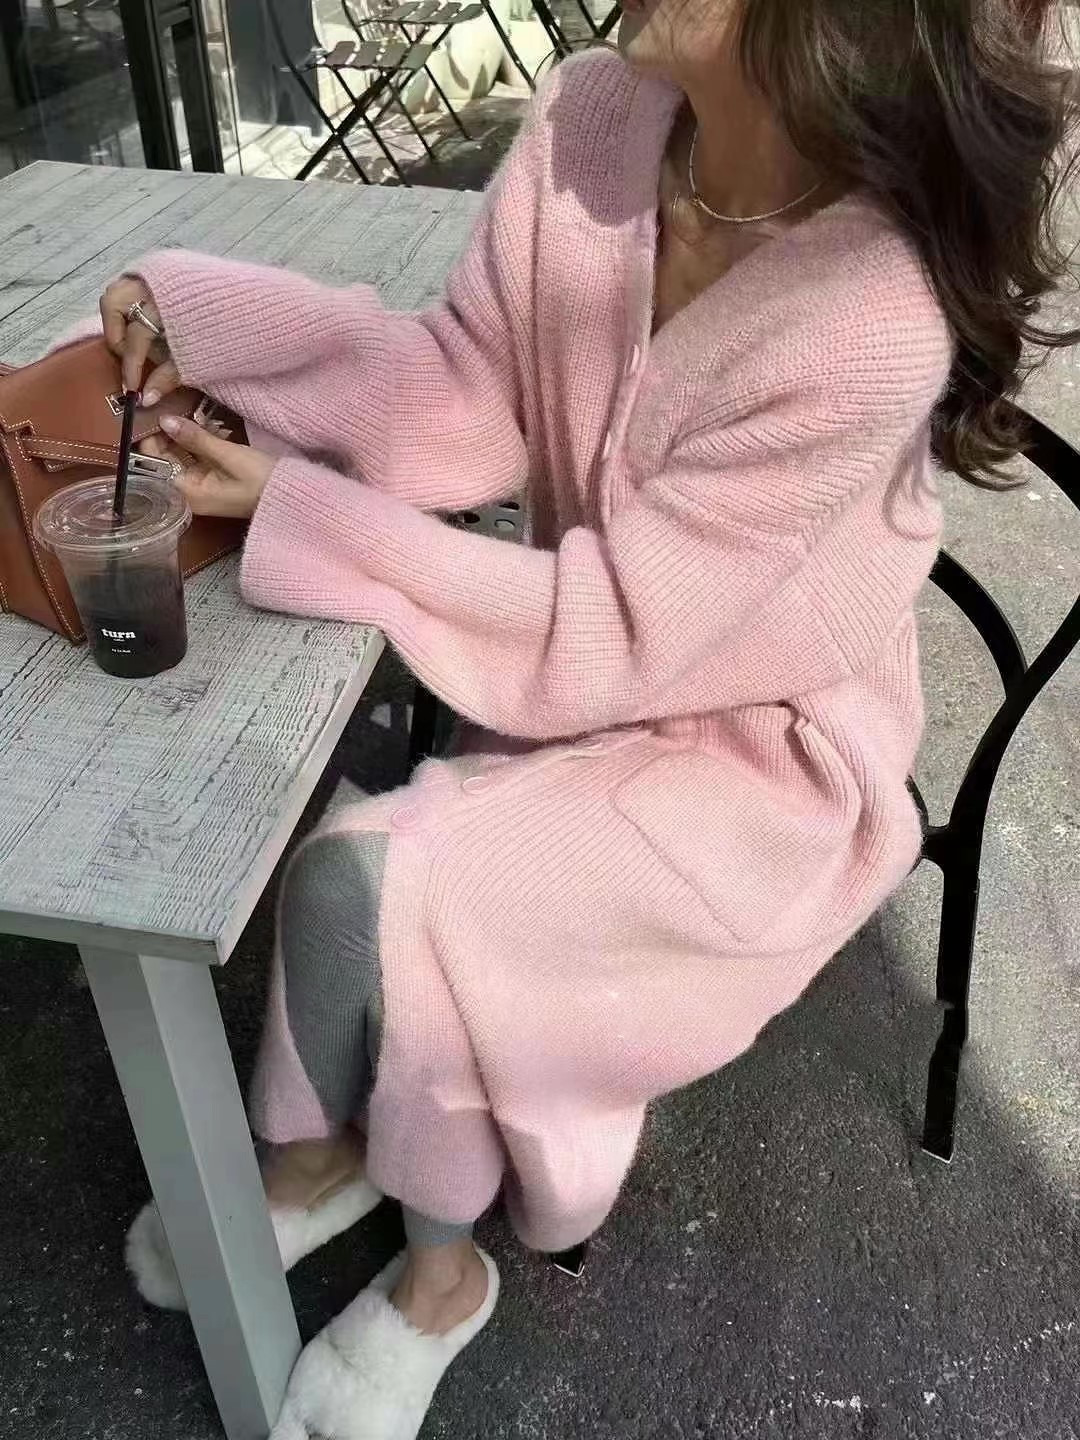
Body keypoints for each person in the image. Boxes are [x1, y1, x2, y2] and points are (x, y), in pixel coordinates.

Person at [99, 2, 1074, 1436]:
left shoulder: (871, 315)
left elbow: (619, 631)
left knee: (381, 890)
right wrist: (206, 319)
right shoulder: (593, 120)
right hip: (566, 661)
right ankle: (325, 1156)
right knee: (358, 884)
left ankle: (443, 1279)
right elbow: (461, 389)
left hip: (763, 762)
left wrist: (307, 514)